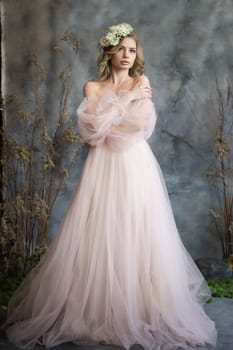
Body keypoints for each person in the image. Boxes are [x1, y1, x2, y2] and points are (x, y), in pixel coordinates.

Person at [4, 23, 217, 350]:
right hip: (101, 166)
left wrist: (114, 114)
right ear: (109, 52)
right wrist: (124, 101)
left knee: (136, 228)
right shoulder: (92, 87)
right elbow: (91, 133)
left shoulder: (141, 82)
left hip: (134, 165)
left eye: (132, 51)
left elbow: (139, 126)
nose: (127, 56)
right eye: (122, 49)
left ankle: (138, 305)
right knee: (100, 229)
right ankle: (97, 305)